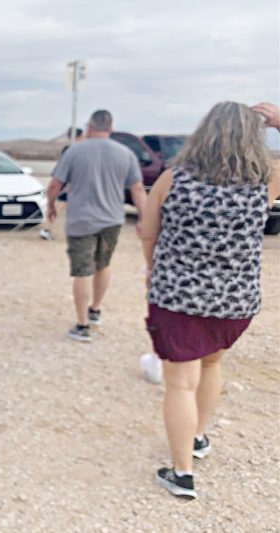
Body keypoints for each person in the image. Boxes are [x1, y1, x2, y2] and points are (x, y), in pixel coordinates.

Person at [140, 101, 280, 500]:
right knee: (213, 363)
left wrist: (154, 268)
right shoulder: (265, 181)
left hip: (177, 298)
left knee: (180, 384)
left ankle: (182, 473)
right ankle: (198, 436)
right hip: (235, 301)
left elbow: (147, 231)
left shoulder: (173, 178)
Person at [47, 110, 147, 341]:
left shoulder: (75, 151)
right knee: (103, 265)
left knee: (82, 271)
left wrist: (51, 205)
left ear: (90, 127)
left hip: (81, 220)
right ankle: (95, 310)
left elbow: (55, 184)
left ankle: (82, 325)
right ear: (110, 128)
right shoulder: (126, 153)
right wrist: (143, 217)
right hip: (112, 219)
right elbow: (138, 189)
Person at [40, 127, 85, 241]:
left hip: (75, 184)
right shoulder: (70, 149)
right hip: (68, 185)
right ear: (78, 136)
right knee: (58, 206)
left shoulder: (79, 149)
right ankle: (46, 230)